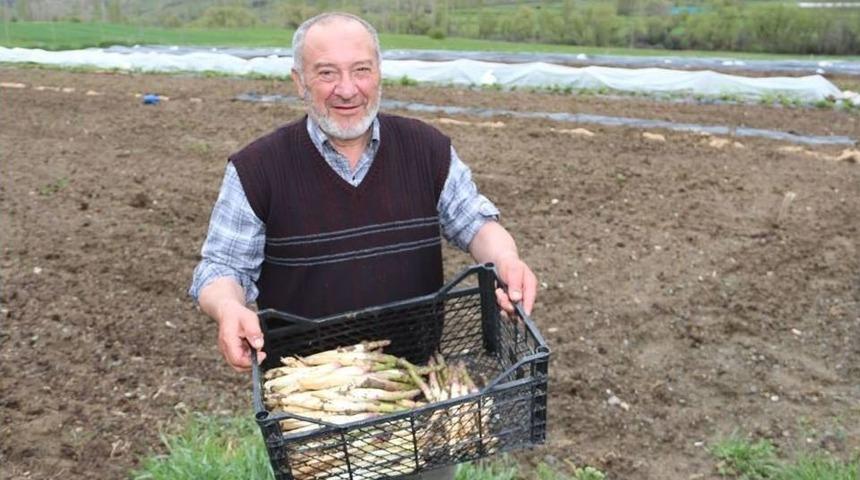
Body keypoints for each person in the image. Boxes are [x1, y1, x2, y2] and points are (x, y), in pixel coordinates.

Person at [189, 12, 537, 478]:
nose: (347, 89)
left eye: (361, 70)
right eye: (326, 72)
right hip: (315, 417)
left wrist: (508, 260)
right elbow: (219, 269)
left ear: (379, 73)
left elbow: (475, 223)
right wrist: (228, 308)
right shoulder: (259, 170)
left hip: (414, 401)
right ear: (299, 82)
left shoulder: (426, 149)